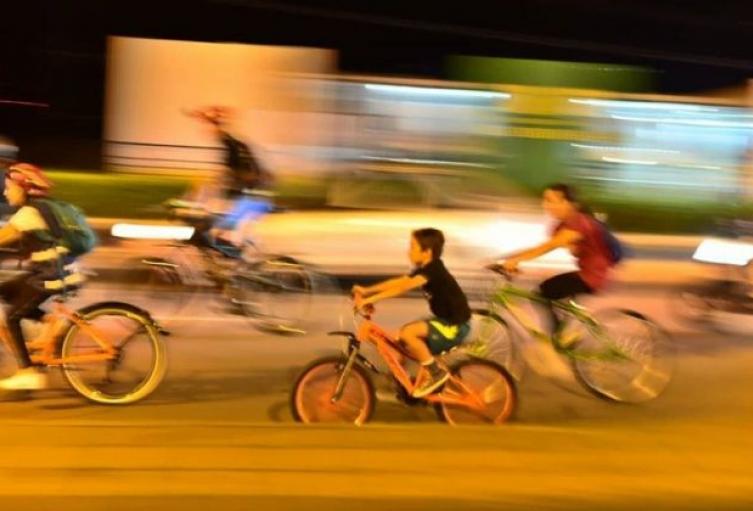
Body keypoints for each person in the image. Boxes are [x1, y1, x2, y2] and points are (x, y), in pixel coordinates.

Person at [353, 228, 471, 398]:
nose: (408, 251)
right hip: (443, 322)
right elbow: (400, 281)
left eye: (413, 247)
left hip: (455, 326)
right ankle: (401, 383)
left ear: (427, 252)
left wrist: (371, 299)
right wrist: (367, 291)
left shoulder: (434, 270)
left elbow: (403, 287)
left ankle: (436, 372)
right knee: (397, 339)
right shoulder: (426, 268)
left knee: (409, 333)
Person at [0, 163, 85, 390]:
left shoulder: (29, 213)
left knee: (12, 317)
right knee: (6, 291)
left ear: (24, 188)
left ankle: (27, 372)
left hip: (53, 274)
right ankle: (48, 324)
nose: (5, 192)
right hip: (53, 270)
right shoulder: (39, 208)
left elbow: (3, 236)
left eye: (9, 187)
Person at [496, 183, 611, 346]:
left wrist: (515, 260)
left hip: (591, 276)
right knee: (553, 293)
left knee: (543, 292)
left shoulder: (578, 223)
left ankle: (559, 337)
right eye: (545, 200)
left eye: (550, 200)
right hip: (589, 273)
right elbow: (545, 246)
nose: (545, 205)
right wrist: (505, 258)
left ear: (567, 203)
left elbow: (547, 247)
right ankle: (565, 335)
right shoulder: (566, 224)